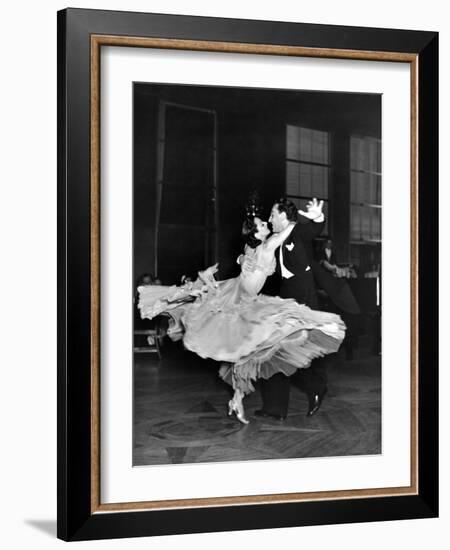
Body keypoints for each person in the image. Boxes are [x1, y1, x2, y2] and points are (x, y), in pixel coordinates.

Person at [138, 211, 345, 424]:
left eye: (268, 219)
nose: (267, 222)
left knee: (245, 353)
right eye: (262, 223)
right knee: (247, 349)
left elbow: (247, 251)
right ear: (256, 232)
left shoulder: (253, 246)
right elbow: (289, 229)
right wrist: (303, 218)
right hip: (240, 301)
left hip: (241, 298)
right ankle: (242, 399)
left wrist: (243, 257)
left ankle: (238, 399)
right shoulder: (267, 244)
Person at [253, 197, 333, 420]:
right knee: (271, 352)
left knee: (294, 353)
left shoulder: (297, 232)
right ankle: (275, 408)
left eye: (272, 215)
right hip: (284, 298)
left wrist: (318, 216)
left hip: (302, 302)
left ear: (283, 216)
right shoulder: (275, 239)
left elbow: (314, 229)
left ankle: (316, 387)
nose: (269, 220)